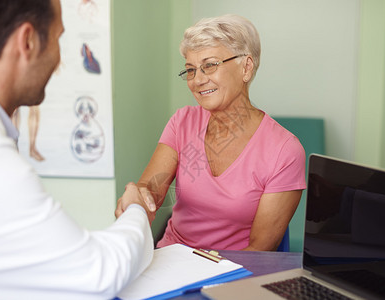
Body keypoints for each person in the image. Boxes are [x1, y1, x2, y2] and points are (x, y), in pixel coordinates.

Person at [0, 0, 156, 298]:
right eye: (59, 38)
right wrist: (137, 208)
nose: (59, 58)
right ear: (28, 41)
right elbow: (98, 274)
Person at [116, 14, 306, 251]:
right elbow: (153, 190)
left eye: (210, 65)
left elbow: (260, 251)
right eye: (191, 70)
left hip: (231, 274)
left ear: (246, 67)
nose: (197, 80)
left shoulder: (284, 150)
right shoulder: (182, 122)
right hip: (171, 259)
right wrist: (138, 200)